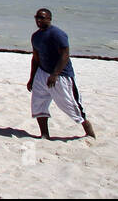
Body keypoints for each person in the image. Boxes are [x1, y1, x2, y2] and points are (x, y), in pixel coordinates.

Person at [27, 8, 97, 139]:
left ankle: (89, 132)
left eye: (42, 18)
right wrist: (32, 78)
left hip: (61, 75)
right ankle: (44, 135)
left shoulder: (57, 34)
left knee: (71, 105)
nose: (39, 20)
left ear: (49, 19)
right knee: (38, 103)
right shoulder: (35, 36)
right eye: (37, 17)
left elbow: (65, 55)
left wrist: (55, 74)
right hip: (42, 73)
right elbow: (35, 58)